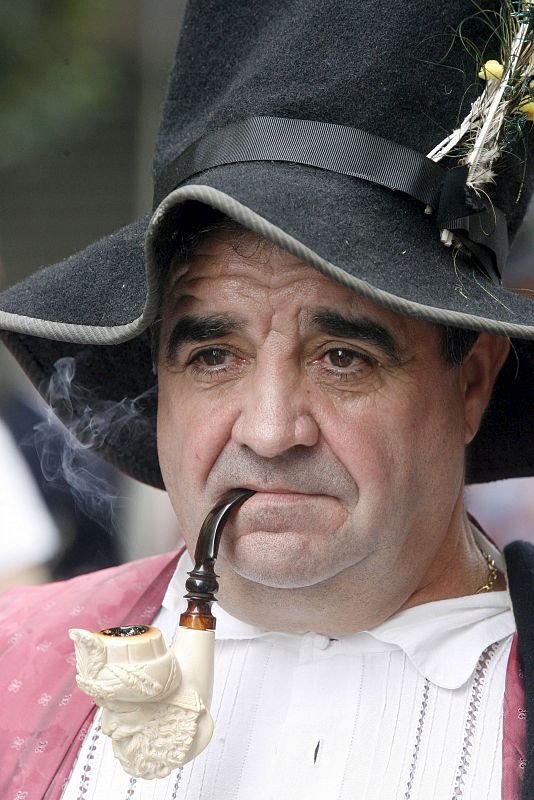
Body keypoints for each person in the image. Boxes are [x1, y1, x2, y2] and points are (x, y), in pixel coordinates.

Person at [1, 1, 534, 798]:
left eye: (344, 357)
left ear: (471, 380)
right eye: (214, 355)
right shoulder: (19, 668)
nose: (271, 429)